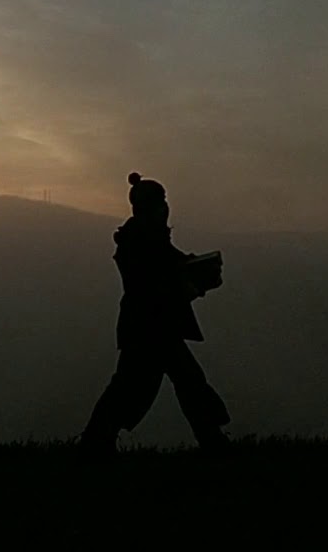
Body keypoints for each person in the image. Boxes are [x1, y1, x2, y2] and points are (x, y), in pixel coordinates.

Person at [80, 172, 231, 453]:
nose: (165, 209)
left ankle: (96, 440)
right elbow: (152, 285)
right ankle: (95, 440)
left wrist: (194, 268)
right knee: (171, 383)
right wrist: (193, 281)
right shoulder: (141, 243)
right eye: (161, 204)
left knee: (163, 383)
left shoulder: (144, 239)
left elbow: (171, 266)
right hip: (149, 327)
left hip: (152, 326)